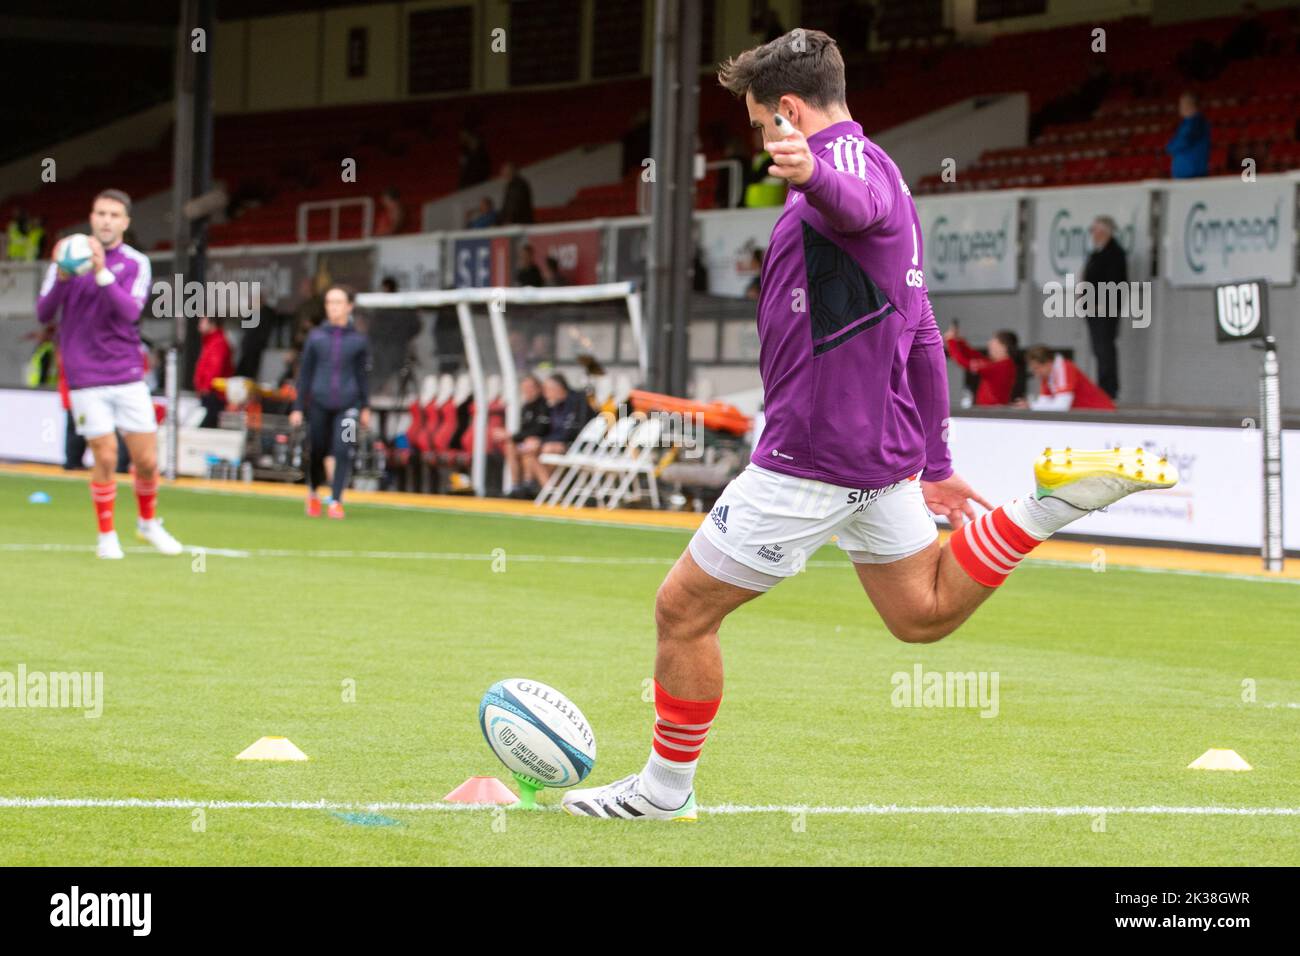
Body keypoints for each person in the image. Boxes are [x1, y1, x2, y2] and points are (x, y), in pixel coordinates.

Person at [561, 29, 1174, 821]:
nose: (759, 141)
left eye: (758, 124)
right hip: (878, 454)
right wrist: (936, 458)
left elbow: (853, 204)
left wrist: (812, 173)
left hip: (810, 454)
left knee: (682, 610)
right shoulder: (890, 171)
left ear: (787, 109)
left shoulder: (847, 173)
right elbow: (921, 331)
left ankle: (662, 792)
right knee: (920, 615)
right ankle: (1046, 507)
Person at [35, 189, 183, 559]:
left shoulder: (135, 263)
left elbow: (130, 312)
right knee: (105, 455)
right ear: (92, 216)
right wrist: (66, 276)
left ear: (125, 222)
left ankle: (148, 523)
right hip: (85, 374)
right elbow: (43, 313)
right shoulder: (64, 261)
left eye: (114, 215)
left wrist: (101, 272)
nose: (106, 220)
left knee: (147, 460)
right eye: (100, 213)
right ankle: (106, 535)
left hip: (127, 372)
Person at [288, 285, 371, 519]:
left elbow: (363, 375)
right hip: (319, 404)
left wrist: (365, 406)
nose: (332, 307)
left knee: (344, 448)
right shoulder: (316, 338)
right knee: (317, 450)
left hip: (349, 405)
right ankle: (313, 492)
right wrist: (297, 407)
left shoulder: (358, 340)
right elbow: (304, 375)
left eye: (337, 302)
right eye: (329, 302)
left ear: (349, 306)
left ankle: (336, 500)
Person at [517, 373, 591, 491]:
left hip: (575, 445)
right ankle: (549, 489)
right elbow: (545, 430)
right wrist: (538, 441)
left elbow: (571, 432)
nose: (545, 394)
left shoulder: (576, 403)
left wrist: (542, 441)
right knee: (531, 449)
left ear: (557, 388)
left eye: (547, 390)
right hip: (556, 442)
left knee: (547, 449)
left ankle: (550, 490)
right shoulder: (553, 406)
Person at [1080, 215, 1126, 399]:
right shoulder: (1097, 253)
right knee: (1099, 350)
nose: (1092, 234)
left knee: (1105, 349)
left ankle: (1108, 389)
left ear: (1104, 231)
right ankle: (1103, 387)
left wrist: (1104, 304)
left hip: (1104, 309)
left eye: (1095, 230)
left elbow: (1116, 282)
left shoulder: (1114, 253)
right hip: (1093, 307)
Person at [491, 374, 550, 494]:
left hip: (542, 442)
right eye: (525, 388)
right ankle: (516, 485)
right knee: (511, 446)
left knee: (528, 447)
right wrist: (512, 437)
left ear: (539, 389)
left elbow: (540, 429)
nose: (527, 391)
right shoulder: (526, 407)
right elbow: (524, 431)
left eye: (530, 388)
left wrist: (510, 435)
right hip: (529, 442)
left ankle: (529, 485)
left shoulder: (544, 406)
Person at [944, 325, 1023, 406]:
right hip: (991, 410)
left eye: (994, 342)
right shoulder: (1002, 364)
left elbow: (964, 362)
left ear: (1003, 347)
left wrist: (951, 341)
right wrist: (958, 341)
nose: (989, 344)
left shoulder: (1002, 366)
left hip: (992, 412)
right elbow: (973, 355)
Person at [1020, 346, 1115, 411]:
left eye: (1037, 368)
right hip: (1088, 415)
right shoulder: (1048, 375)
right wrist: (1032, 406)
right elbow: (1043, 401)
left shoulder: (1064, 367)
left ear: (1048, 363)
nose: (1036, 374)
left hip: (1102, 413)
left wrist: (1032, 406)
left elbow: (1061, 406)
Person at [194, 315, 234, 428]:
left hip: (214, 394)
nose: (199, 325)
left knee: (205, 428)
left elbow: (215, 368)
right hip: (209, 393)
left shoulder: (218, 342)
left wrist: (205, 387)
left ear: (212, 323)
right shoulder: (211, 341)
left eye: (202, 321)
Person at [1165, 91, 1210, 179]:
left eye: (1182, 104)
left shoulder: (1196, 122)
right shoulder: (1186, 124)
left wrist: (1170, 147)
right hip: (1185, 174)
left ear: (1190, 105)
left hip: (1193, 174)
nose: (1180, 107)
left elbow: (1183, 141)